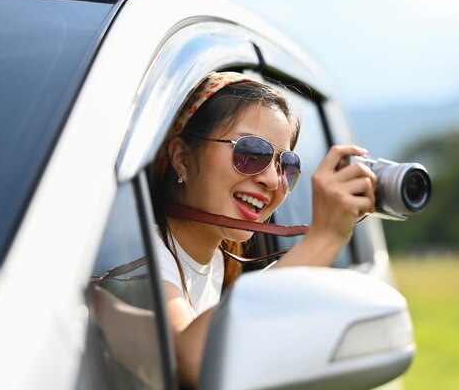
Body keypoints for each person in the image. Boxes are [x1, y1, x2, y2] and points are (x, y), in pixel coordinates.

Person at [150, 71, 376, 388]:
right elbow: (194, 359)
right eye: (251, 153)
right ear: (182, 157)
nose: (272, 180)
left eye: (285, 165)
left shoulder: (215, 259)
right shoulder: (142, 257)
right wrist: (324, 239)